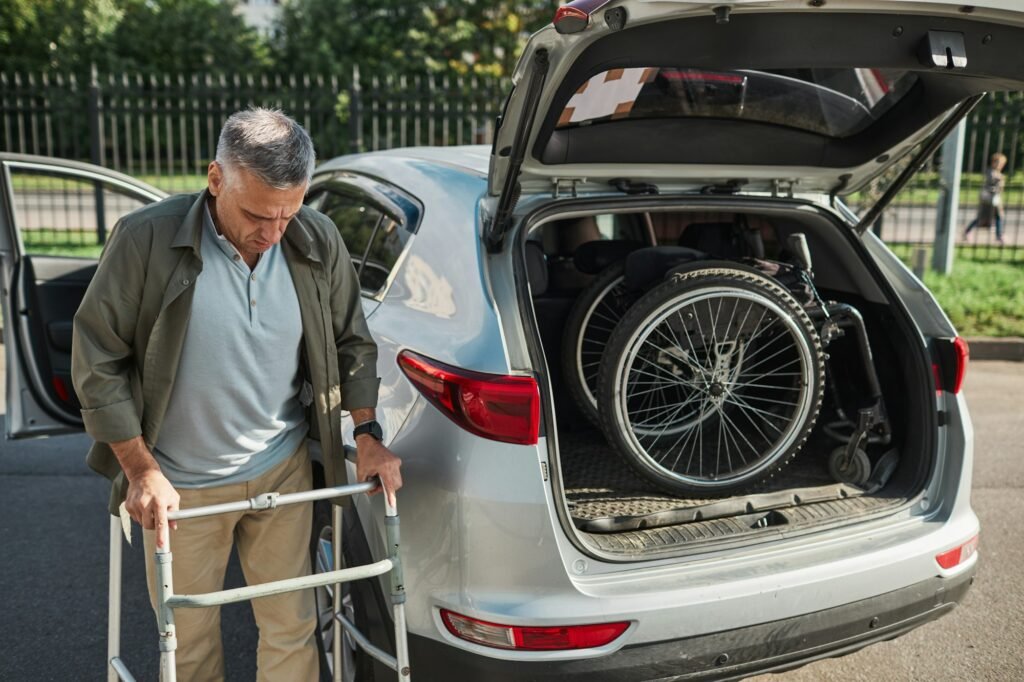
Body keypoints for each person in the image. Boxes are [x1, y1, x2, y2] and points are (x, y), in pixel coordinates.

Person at [71, 108, 403, 681]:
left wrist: (368, 434)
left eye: (287, 213)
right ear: (215, 178)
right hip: (181, 486)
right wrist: (140, 469)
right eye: (256, 214)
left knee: (293, 629)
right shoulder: (144, 239)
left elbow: (353, 343)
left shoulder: (315, 237)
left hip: (283, 470)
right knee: (191, 643)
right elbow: (97, 359)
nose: (273, 233)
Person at [963, 152, 1009, 244]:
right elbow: (991, 184)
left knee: (999, 217)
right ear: (993, 162)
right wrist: (999, 180)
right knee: (981, 217)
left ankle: (999, 235)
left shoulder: (997, 173)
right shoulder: (990, 172)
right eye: (998, 163)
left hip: (995, 200)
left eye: (1002, 164)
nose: (1000, 165)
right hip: (987, 200)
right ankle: (967, 232)